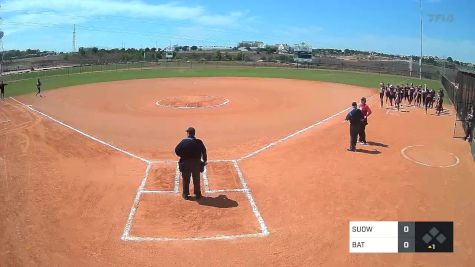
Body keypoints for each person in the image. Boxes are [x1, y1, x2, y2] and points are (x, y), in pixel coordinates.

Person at [175, 127, 207, 200]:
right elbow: (204, 152)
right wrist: (204, 161)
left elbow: (177, 150)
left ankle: (185, 194)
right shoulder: (199, 142)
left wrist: (183, 156)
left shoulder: (184, 141)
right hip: (196, 163)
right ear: (194, 133)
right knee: (196, 179)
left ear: (188, 133)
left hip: (186, 163)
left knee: (186, 179)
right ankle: (198, 194)